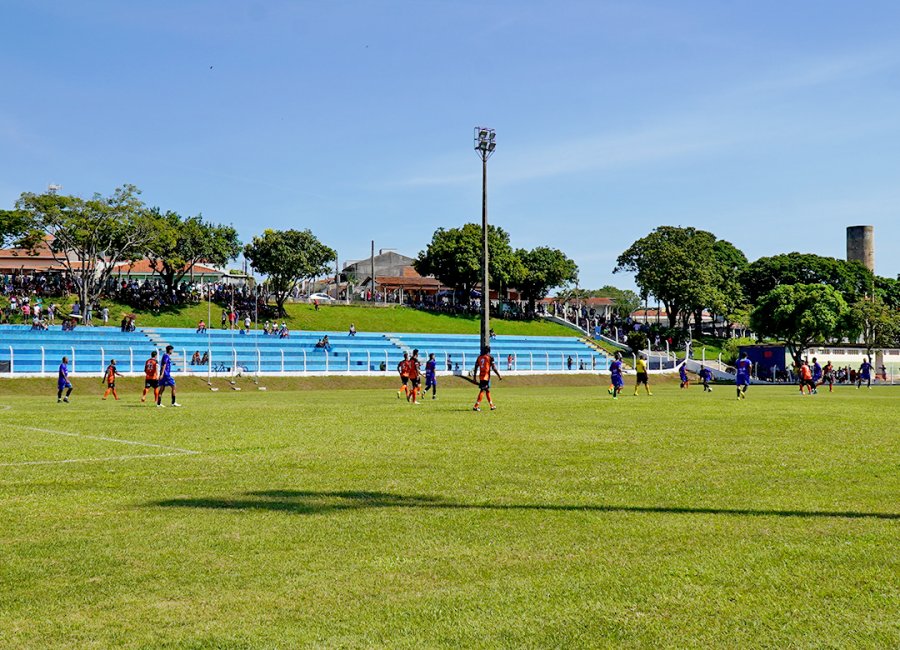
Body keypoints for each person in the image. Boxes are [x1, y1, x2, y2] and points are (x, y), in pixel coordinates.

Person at [473, 345, 502, 411]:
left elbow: (475, 368)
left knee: (487, 390)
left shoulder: (479, 357)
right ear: (489, 350)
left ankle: (492, 405)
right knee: (483, 390)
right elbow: (494, 368)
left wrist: (474, 377)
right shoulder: (490, 357)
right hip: (486, 376)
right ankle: (476, 406)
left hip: (481, 376)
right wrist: (499, 375)